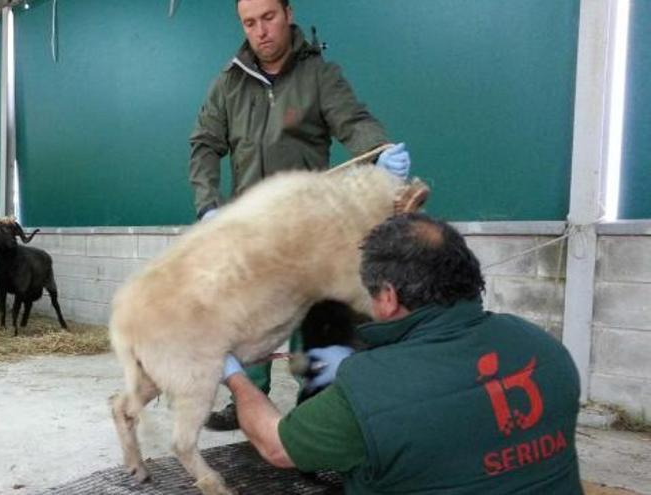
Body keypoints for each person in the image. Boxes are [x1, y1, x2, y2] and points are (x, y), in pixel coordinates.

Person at [221, 213, 583, 494]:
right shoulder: (544, 348)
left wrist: (234, 376)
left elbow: (275, 446)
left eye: (371, 293)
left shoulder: (368, 388)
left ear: (390, 297)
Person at [191, 0, 412, 430]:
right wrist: (208, 205)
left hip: (310, 226)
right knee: (251, 313)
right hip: (250, 224)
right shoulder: (229, 83)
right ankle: (246, 400)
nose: (261, 31)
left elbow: (354, 123)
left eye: (268, 17)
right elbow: (203, 144)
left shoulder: (320, 76)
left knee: (311, 312)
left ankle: (314, 410)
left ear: (288, 13)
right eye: (250, 23)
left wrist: (381, 153)